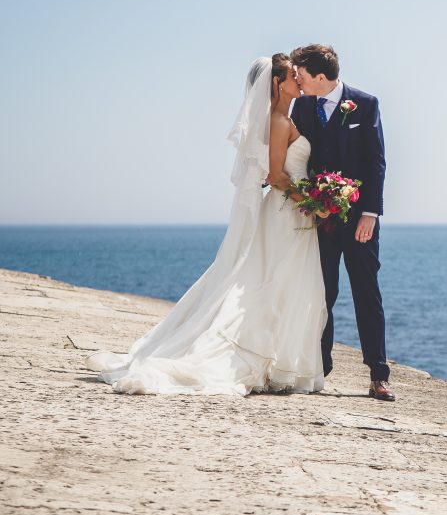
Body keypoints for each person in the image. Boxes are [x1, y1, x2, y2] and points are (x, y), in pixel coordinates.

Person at [85, 56, 328, 395]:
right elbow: (275, 176)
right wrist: (314, 203)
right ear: (275, 82)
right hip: (286, 211)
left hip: (292, 211)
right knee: (272, 282)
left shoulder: (286, 117)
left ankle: (281, 363)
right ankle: (266, 361)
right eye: (291, 74)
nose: (299, 79)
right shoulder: (277, 120)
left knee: (286, 284)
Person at [285, 44, 393, 401]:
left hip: (359, 219)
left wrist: (370, 214)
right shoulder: (300, 106)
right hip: (319, 217)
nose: (297, 78)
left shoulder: (365, 103)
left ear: (320, 76)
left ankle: (379, 375)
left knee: (366, 293)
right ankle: (320, 369)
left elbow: (376, 162)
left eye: (301, 73)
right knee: (322, 293)